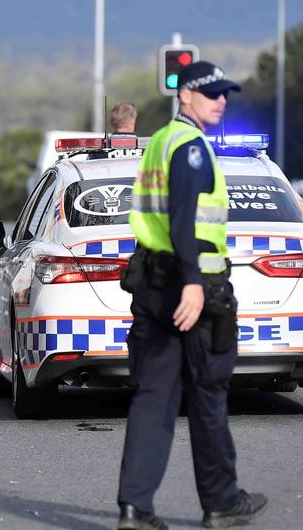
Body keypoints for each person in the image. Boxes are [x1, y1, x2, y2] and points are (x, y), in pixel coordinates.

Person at [115, 61, 267, 530]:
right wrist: (196, 284)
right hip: (191, 287)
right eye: (210, 92)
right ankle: (221, 500)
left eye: (225, 93)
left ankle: (134, 508)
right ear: (185, 96)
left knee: (153, 396)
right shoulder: (192, 148)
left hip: (154, 283)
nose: (221, 100)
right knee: (208, 393)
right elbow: (184, 220)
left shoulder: (160, 141)